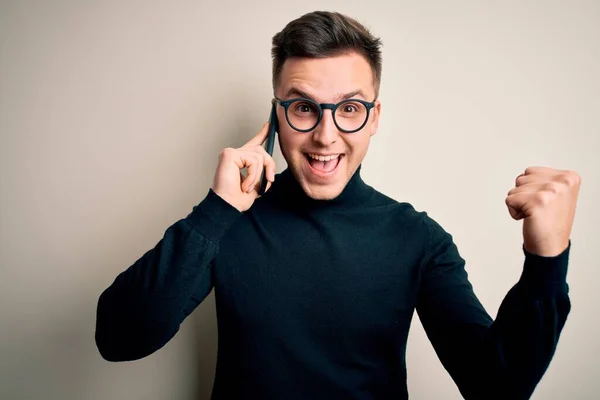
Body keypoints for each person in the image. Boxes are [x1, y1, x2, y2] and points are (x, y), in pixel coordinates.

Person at [95, 10, 581, 400]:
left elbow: (496, 387)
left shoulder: (418, 239)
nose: (326, 136)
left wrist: (547, 261)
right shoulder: (228, 223)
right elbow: (119, 338)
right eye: (304, 107)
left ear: (374, 118)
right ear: (277, 114)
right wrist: (217, 209)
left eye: (349, 109)